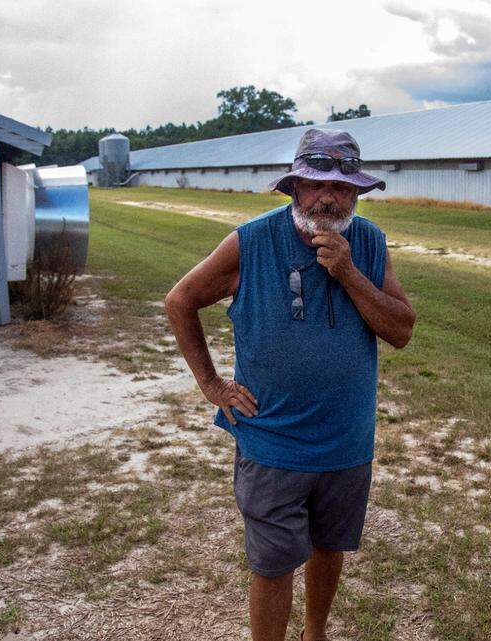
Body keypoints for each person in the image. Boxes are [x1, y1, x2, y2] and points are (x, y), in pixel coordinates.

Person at [164, 127, 416, 641]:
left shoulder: (368, 243)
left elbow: (401, 331)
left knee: (330, 545)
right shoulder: (251, 242)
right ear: (295, 187)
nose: (329, 197)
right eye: (316, 184)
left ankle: (315, 632)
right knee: (274, 562)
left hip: (346, 441)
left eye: (342, 187)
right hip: (272, 438)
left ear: (357, 194)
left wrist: (348, 272)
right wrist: (212, 384)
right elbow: (180, 301)